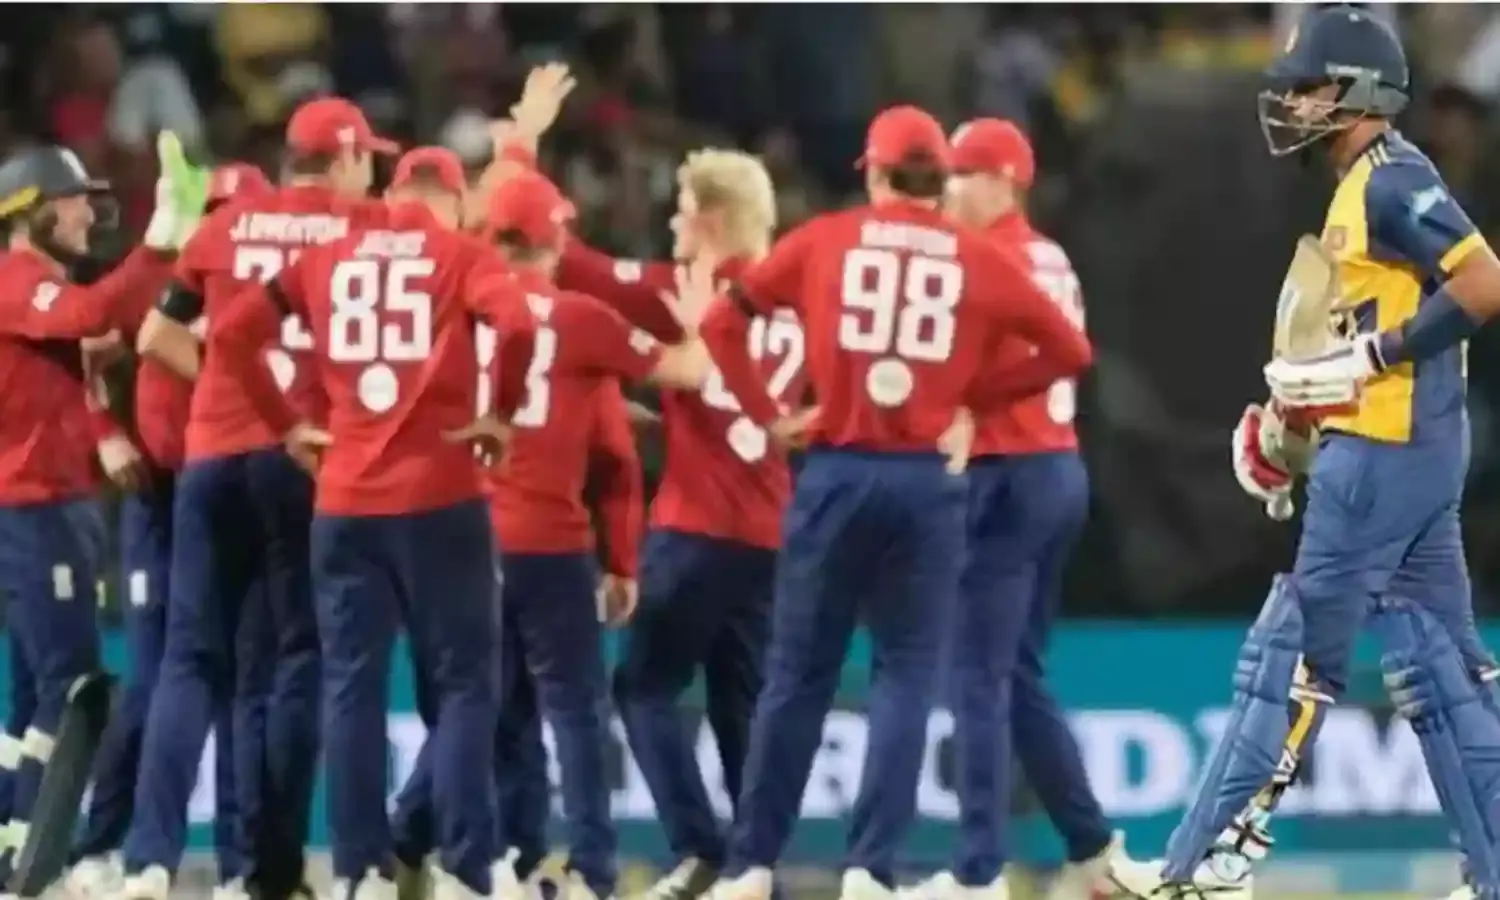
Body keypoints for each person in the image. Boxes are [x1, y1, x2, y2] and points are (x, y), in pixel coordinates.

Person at [1115, 8, 1500, 900]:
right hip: (1404, 449)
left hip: (1386, 454)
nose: (1293, 103)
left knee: (1290, 656)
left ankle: (1207, 864)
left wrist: (1373, 358)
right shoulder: (1362, 183)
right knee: (1443, 668)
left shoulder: (1390, 178)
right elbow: (1345, 337)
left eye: (1311, 88)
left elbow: (1484, 282)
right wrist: (1292, 422)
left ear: (1360, 91)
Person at [693, 105, 1094, 900]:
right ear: (939, 179)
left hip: (837, 469)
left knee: (796, 675)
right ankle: (870, 870)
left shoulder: (825, 239)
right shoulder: (972, 255)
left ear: (874, 173)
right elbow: (1069, 350)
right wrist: (970, 394)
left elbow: (720, 322)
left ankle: (752, 864)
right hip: (925, 482)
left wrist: (769, 414)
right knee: (905, 677)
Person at [208, 145, 540, 900]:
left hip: (346, 502)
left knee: (351, 689)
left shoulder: (325, 259)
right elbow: (518, 322)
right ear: (454, 201)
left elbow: (230, 335)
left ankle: (359, 873)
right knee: (464, 686)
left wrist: (286, 425)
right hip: (442, 499)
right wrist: (501, 411)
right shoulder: (461, 256)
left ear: (392, 194)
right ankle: (465, 867)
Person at [390, 168, 714, 900]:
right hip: (551, 543)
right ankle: (591, 870)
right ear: (554, 239)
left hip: (459, 535)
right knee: (575, 712)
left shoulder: (447, 306)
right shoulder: (581, 318)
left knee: (473, 705)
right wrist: (697, 323)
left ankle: (416, 840)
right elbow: (689, 373)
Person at [122, 98, 394, 900]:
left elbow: (153, 337)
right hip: (299, 460)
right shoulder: (366, 228)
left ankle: (148, 863)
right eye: (367, 159)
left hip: (210, 458)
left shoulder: (225, 227)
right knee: (296, 661)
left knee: (190, 662)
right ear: (345, 159)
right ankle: (267, 869)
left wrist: (226, 375)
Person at [547, 149, 802, 900]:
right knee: (739, 705)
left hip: (696, 530)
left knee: (643, 687)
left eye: (682, 210)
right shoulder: (802, 302)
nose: (670, 224)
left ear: (713, 221)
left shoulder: (687, 291)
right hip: (769, 536)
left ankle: (700, 850)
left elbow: (573, 265)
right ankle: (756, 873)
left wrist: (523, 149)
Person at [899, 118, 1138, 900]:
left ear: (1005, 178)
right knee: (1016, 672)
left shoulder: (986, 256)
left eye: (962, 174)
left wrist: (961, 402)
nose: (948, 190)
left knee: (976, 674)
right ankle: (1093, 850)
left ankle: (977, 874)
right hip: (1056, 468)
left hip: (1006, 471)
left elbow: (961, 365)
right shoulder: (1047, 254)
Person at [0, 134, 205, 893]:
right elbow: (89, 310)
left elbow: (89, 330)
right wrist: (158, 245)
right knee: (74, 688)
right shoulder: (17, 280)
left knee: (34, 695)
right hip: (37, 508)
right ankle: (35, 866)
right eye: (74, 203)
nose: (88, 217)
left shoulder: (33, 290)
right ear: (29, 213)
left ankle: (12, 852)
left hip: (49, 505)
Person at [67, 162, 274, 900]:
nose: (222, 226)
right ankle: (110, 849)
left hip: (223, 498)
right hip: (162, 501)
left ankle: (234, 865)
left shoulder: (267, 294)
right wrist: (105, 434)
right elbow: (84, 353)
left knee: (232, 684)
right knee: (158, 682)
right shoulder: (165, 279)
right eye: (212, 212)